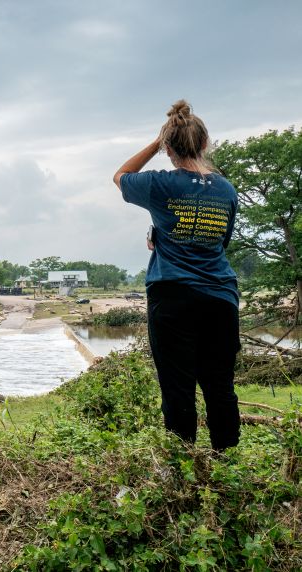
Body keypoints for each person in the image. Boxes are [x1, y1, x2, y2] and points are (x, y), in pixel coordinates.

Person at [113, 100, 240, 451]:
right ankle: (227, 467)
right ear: (204, 144)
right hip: (220, 296)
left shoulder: (159, 185)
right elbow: (217, 242)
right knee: (220, 387)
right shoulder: (227, 191)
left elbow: (120, 175)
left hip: (172, 296)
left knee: (177, 388)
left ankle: (183, 472)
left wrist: (155, 144)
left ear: (168, 149)